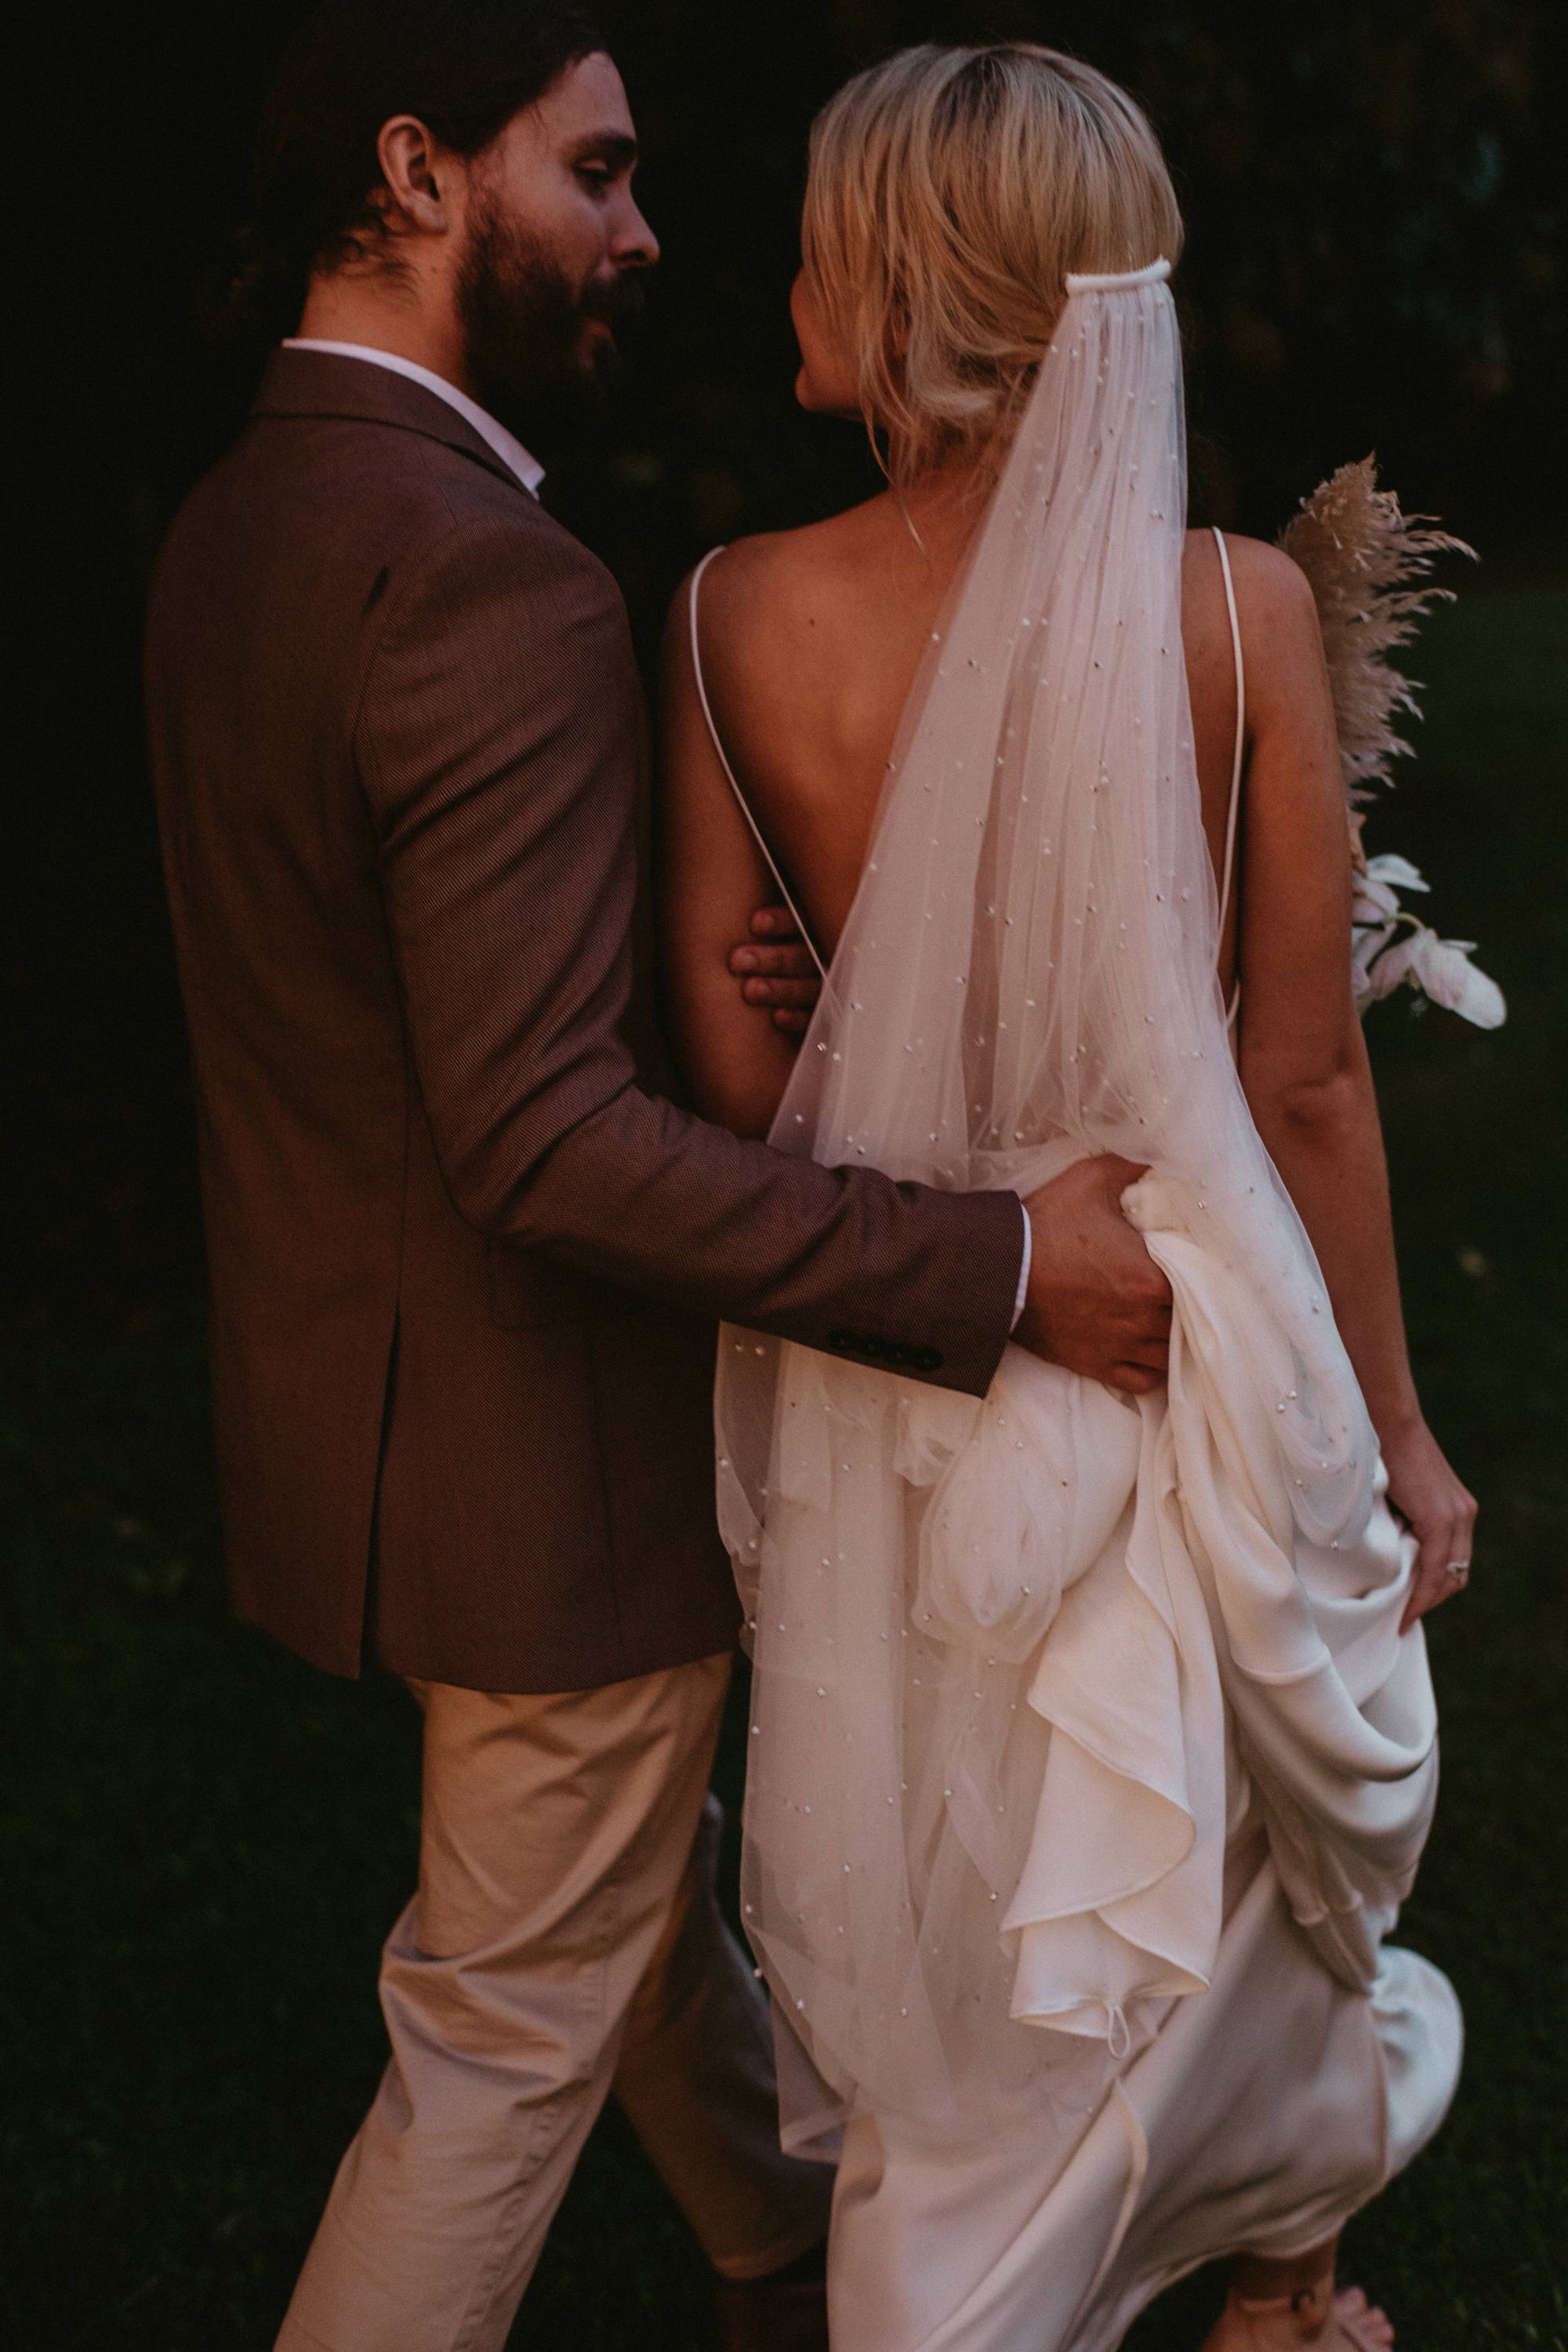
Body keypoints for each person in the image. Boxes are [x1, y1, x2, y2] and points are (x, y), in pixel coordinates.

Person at [143, 9, 1177, 2349]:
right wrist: (1008, 1258)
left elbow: (376, 987)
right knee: (499, 2030)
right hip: (544, 1464)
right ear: (420, 174)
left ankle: (776, 2248)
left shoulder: (242, 518)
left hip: (354, 1411)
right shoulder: (492, 584)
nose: (646, 232)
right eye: (595, 174)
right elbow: (534, 1136)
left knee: (603, 1926)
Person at [659, 42, 1474, 2352]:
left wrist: (829, 984)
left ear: (913, 287)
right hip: (1202, 1335)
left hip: (907, 1349)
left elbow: (740, 1090)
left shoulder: (732, 614)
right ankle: (1272, 2261)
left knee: (964, 1889)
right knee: (1217, 1843)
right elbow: (1302, 1080)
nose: (789, 285)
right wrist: (1396, 1430)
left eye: (822, 242)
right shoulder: (1231, 615)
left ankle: (1054, 2277)